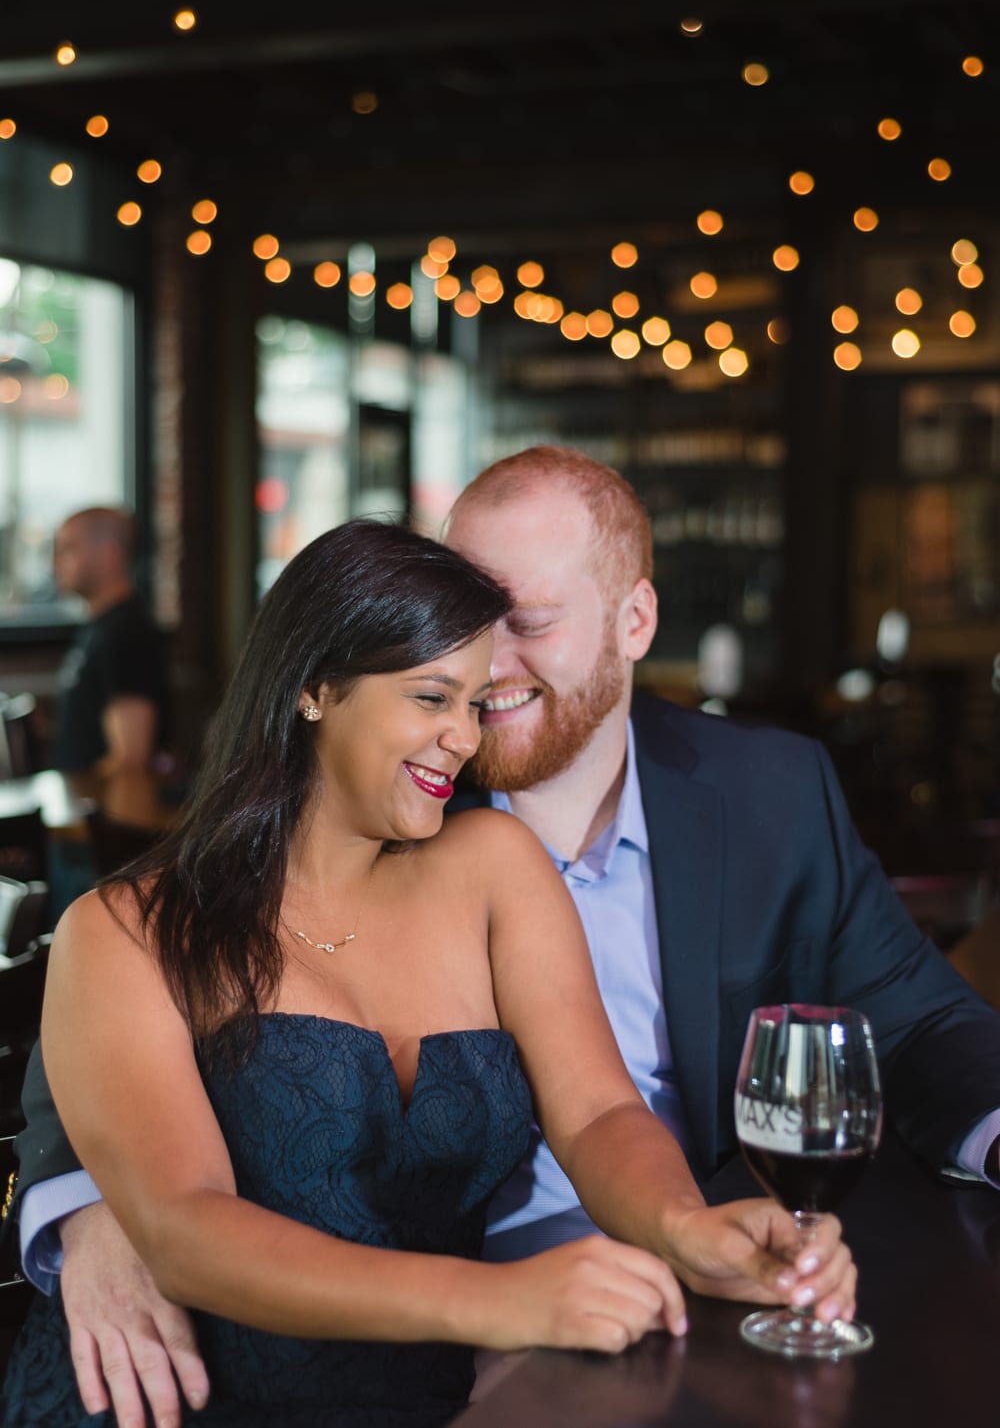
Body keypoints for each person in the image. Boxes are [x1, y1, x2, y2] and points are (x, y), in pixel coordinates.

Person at [2, 518, 853, 1428]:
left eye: (476, 704)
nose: (462, 738)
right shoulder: (124, 930)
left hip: (424, 1405)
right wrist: (501, 1300)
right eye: (431, 697)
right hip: (168, 1404)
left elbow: (600, 1111)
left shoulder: (495, 866)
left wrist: (688, 1229)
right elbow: (186, 1228)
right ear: (315, 688)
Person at [51, 507, 169, 777]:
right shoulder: (100, 627)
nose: (56, 564)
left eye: (69, 549)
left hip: (97, 815)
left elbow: (130, 757)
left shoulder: (127, 633)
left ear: (109, 554)